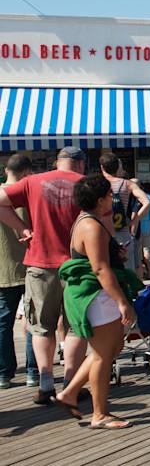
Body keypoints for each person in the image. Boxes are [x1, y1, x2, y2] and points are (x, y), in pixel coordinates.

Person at [0, 146, 87, 405]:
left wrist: (23, 228)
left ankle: (45, 382)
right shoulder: (86, 184)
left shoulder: (32, 182)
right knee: (74, 327)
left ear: (56, 162)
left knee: (41, 326)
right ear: (80, 164)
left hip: (39, 265)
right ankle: (71, 384)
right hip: (77, 265)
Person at [53, 175, 142, 429]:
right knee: (104, 354)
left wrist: (116, 253)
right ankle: (99, 414)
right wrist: (123, 302)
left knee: (110, 349)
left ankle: (70, 393)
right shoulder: (91, 226)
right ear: (101, 198)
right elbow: (100, 269)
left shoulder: (87, 221)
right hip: (95, 294)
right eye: (109, 197)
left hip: (95, 293)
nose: (112, 202)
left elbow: (102, 261)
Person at [0, 154, 32, 389]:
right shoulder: (28, 196)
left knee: (3, 323)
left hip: (4, 268)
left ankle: (4, 373)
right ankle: (33, 372)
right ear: (25, 173)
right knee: (34, 321)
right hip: (32, 266)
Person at [99, 154, 150, 275]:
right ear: (118, 167)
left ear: (102, 167)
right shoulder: (128, 184)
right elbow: (147, 203)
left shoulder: (98, 184)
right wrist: (133, 221)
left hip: (103, 234)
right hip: (123, 234)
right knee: (128, 273)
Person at [132, 180, 150, 277]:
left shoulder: (132, 198)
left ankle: (140, 275)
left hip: (135, 228)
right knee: (147, 250)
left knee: (137, 253)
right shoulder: (148, 197)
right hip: (147, 227)